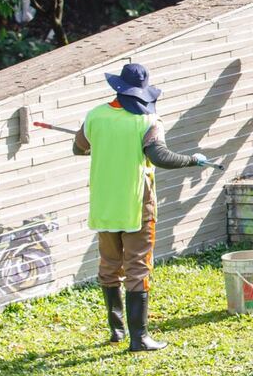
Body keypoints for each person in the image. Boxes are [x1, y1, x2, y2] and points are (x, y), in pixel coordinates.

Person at [73, 63, 210, 352]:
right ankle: (140, 338)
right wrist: (192, 160)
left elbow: (79, 147)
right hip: (136, 204)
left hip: (103, 204)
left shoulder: (95, 116)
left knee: (109, 267)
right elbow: (159, 156)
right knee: (137, 268)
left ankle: (117, 330)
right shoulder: (148, 121)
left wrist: (103, 144)